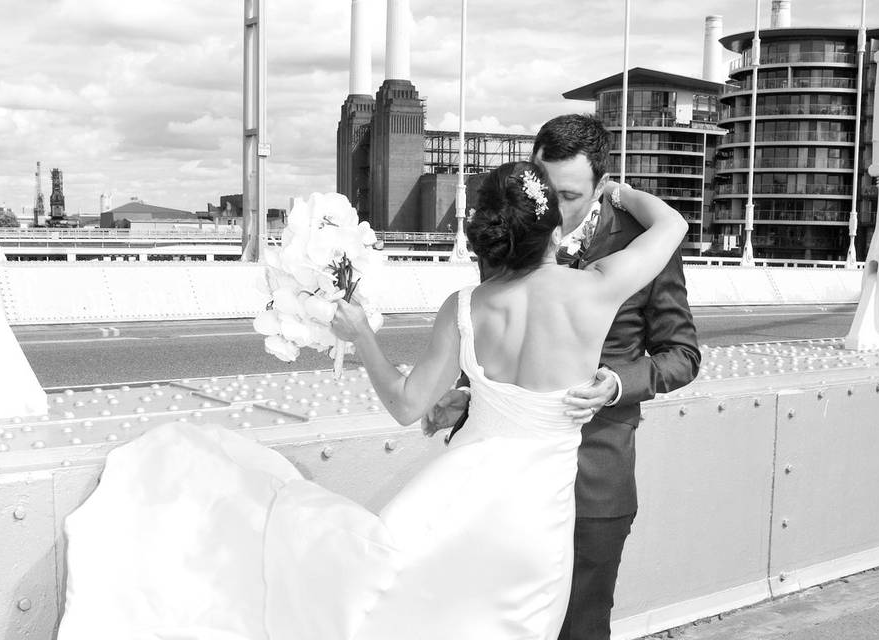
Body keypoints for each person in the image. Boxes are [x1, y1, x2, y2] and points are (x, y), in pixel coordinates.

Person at [56, 161, 687, 640]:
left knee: (394, 598)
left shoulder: (464, 309)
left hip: (464, 498)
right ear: (551, 226)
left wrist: (360, 338)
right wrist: (618, 193)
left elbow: (409, 406)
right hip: (536, 523)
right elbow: (674, 224)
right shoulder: (597, 290)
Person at [426, 114, 702, 640]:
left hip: (594, 482)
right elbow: (498, 329)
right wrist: (470, 391)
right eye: (545, 190)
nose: (551, 209)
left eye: (570, 194)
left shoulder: (644, 243)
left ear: (601, 186)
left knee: (581, 629)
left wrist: (618, 383)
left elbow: (682, 355)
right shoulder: (516, 227)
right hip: (501, 485)